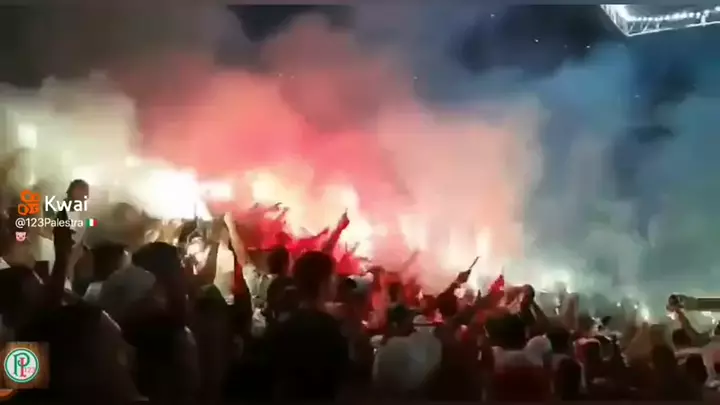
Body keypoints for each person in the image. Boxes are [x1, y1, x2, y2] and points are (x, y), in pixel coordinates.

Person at [264, 251, 349, 400]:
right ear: (323, 284)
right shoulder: (330, 329)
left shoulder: (284, 327)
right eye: (333, 277)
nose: (336, 281)